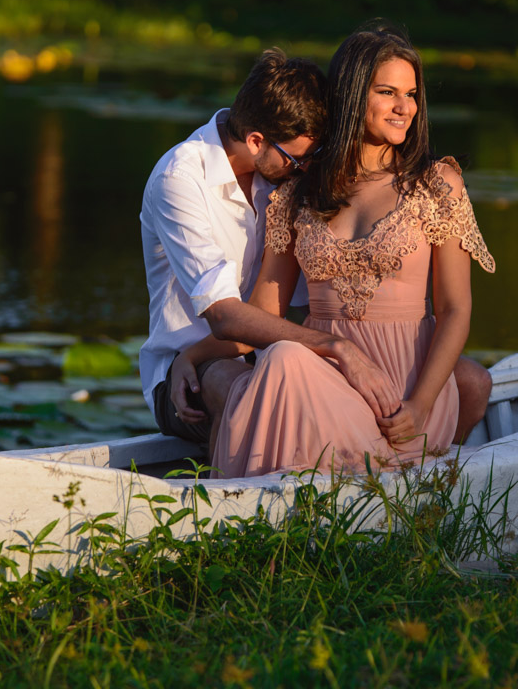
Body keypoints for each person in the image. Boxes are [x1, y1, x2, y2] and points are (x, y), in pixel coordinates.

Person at [174, 23, 496, 477]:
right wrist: (192, 356)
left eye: (412, 94)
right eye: (388, 92)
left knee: (285, 363)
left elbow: (455, 309)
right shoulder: (299, 193)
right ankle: (266, 515)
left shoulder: (436, 185)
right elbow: (263, 313)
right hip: (324, 375)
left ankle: (263, 505)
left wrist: (421, 405)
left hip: (406, 387)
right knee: (284, 359)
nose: (404, 107)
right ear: (352, 94)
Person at [140, 48, 399, 443]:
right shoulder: (179, 179)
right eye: (298, 160)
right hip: (189, 374)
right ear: (256, 140)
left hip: (273, 355)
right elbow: (225, 317)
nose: (306, 169)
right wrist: (336, 347)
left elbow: (297, 302)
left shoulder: (282, 182)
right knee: (243, 388)